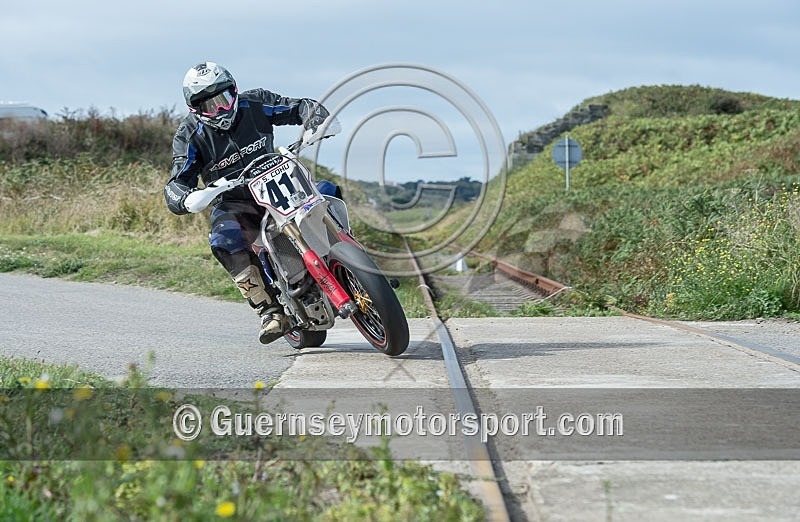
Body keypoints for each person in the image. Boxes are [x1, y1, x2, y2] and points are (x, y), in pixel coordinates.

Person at [164, 61, 331, 344]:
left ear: (234, 90)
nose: (219, 108)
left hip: (279, 183)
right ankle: (270, 311)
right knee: (224, 239)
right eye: (208, 105)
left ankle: (352, 259)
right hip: (235, 201)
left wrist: (313, 117)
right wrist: (184, 196)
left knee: (328, 190)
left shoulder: (255, 103)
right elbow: (178, 180)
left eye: (223, 98)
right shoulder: (189, 135)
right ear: (194, 109)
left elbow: (298, 106)